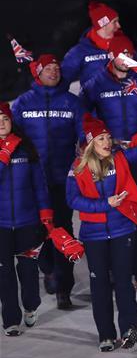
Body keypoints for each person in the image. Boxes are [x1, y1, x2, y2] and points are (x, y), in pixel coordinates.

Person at [81, 35, 137, 289]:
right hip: (107, 157)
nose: (127, 61)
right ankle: (113, 270)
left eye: (130, 56)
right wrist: (94, 141)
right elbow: (82, 117)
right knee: (111, 211)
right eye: (122, 56)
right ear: (111, 56)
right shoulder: (95, 84)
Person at [66, 112, 137, 351]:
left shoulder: (121, 159)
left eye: (108, 137)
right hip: (94, 236)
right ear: (89, 144)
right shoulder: (77, 168)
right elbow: (72, 200)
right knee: (100, 287)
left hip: (122, 231)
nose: (107, 142)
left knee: (124, 283)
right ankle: (105, 335)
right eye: (100, 139)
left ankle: (130, 328)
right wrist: (104, 204)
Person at [12, 54, 82, 308]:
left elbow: (84, 136)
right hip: (33, 181)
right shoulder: (22, 104)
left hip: (63, 179)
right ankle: (48, 268)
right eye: (48, 69)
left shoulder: (73, 103)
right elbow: (13, 138)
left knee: (63, 228)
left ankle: (64, 287)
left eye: (57, 68)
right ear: (37, 73)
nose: (54, 72)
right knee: (39, 231)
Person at [0, 103, 51, 336]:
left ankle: (31, 306)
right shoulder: (10, 150)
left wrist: (46, 216)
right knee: (4, 272)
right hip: (0, 226)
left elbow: (39, 186)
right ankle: (11, 320)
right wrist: (4, 155)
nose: (1, 123)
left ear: (12, 121)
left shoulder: (26, 148)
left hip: (27, 222)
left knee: (29, 271)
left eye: (5, 118)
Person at [61, 1, 125, 85]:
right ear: (103, 24)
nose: (119, 26)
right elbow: (61, 81)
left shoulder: (123, 45)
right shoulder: (79, 52)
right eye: (114, 22)